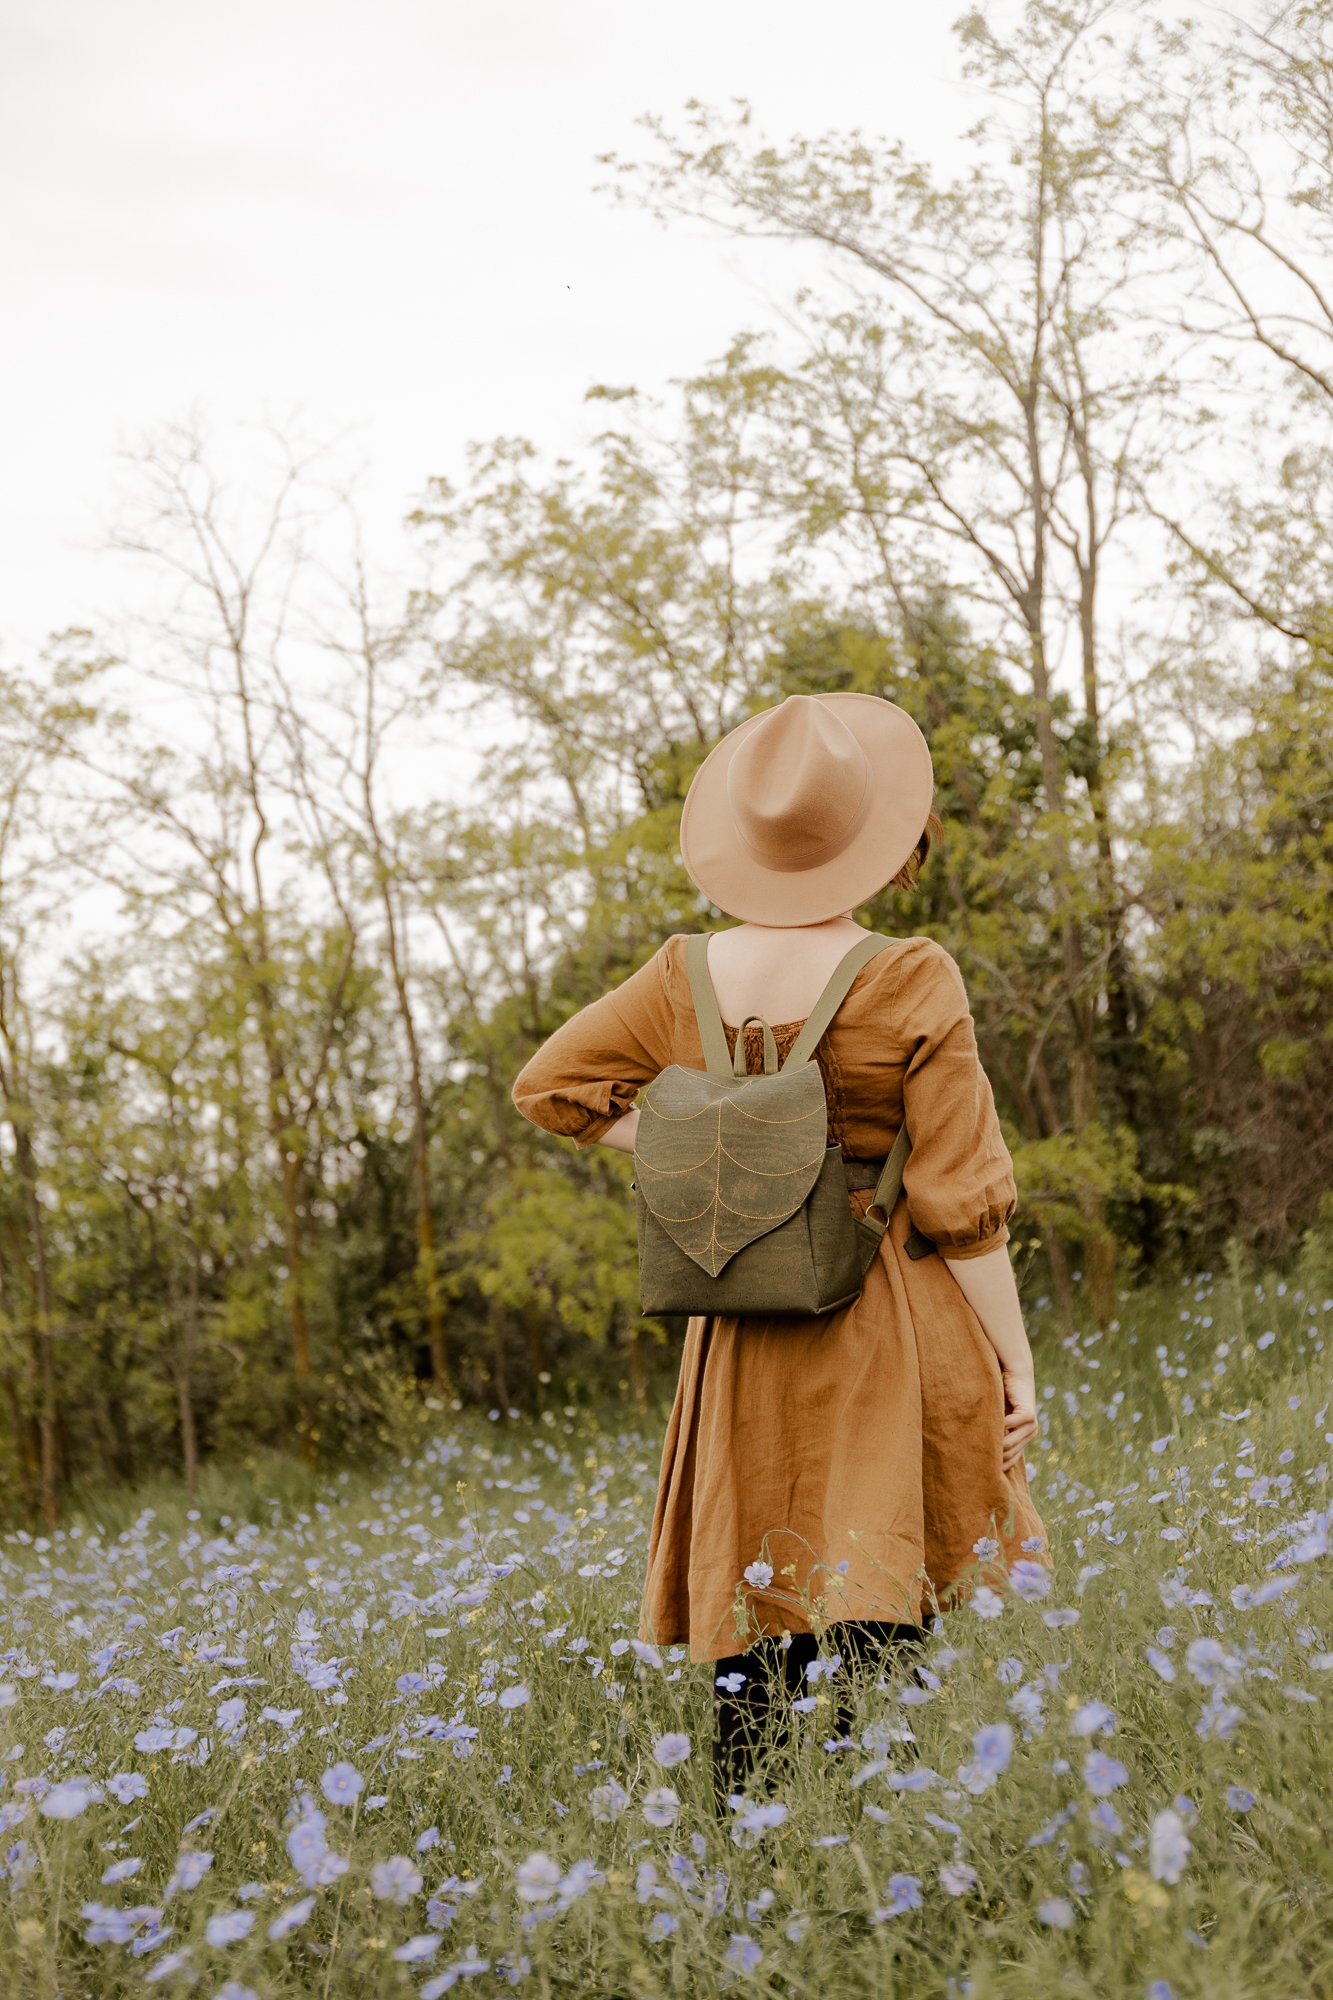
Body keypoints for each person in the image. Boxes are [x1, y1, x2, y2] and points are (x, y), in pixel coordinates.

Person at [511, 692, 1049, 1809]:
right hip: (885, 1317)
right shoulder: (910, 974)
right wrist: (1015, 1360)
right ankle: (877, 1856)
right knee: (878, 1591)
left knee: (754, 1609)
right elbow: (959, 1199)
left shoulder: (680, 975)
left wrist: (703, 1144)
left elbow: (550, 1087)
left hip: (740, 1331)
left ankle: (747, 1858)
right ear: (882, 836)